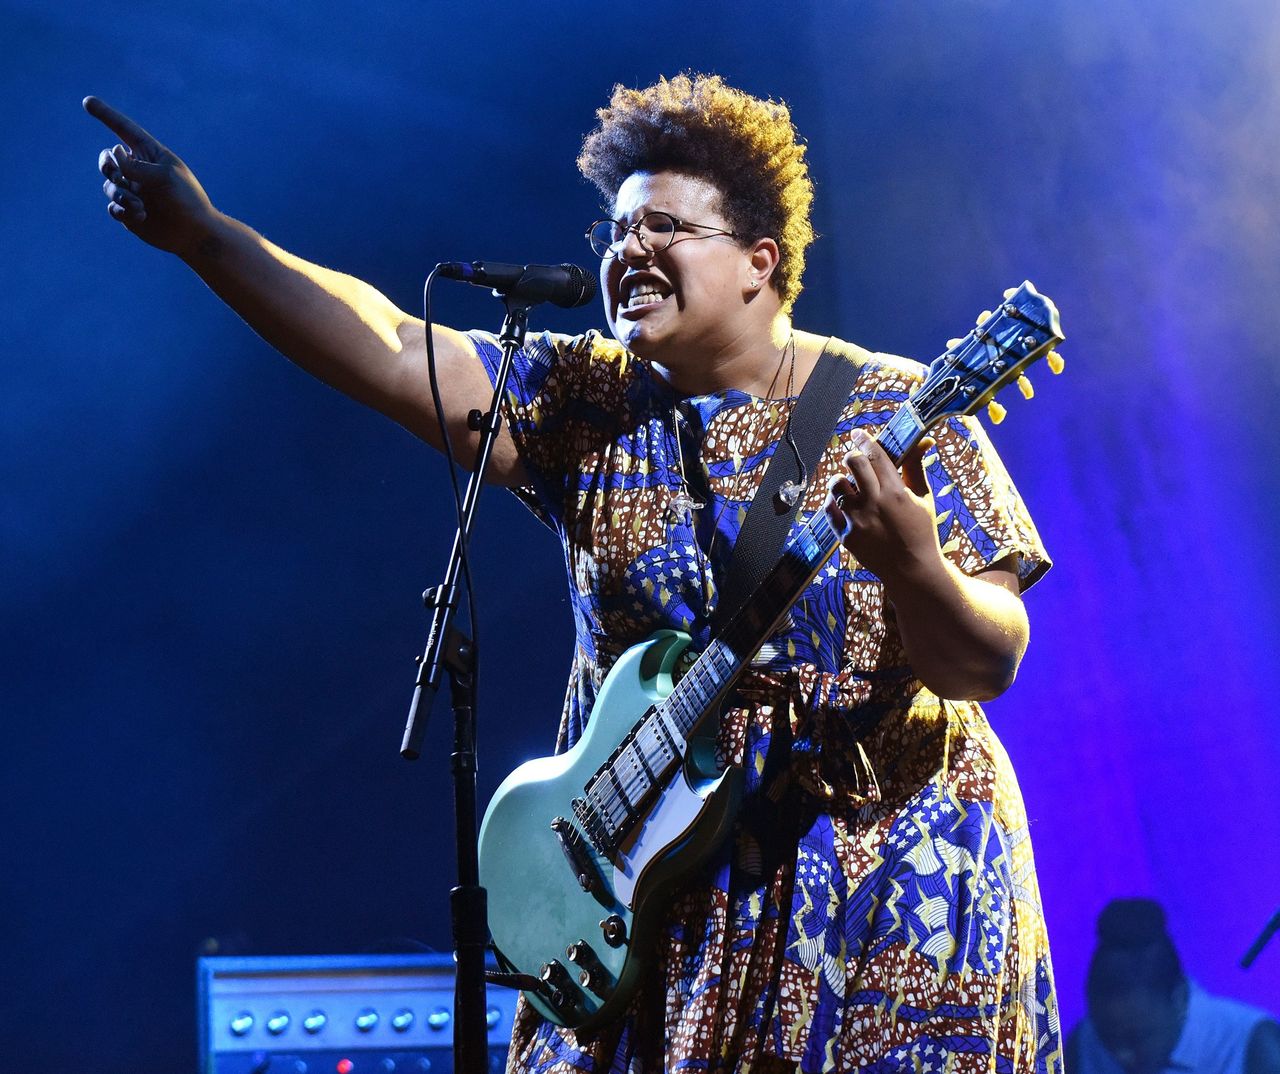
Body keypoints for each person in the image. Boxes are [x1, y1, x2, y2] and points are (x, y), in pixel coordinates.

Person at [87, 73, 1061, 1072]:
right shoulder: (581, 400)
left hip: (882, 884)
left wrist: (912, 569)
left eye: (666, 227)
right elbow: (387, 347)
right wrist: (206, 238)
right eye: (617, 231)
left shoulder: (894, 408)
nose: (628, 249)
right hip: (642, 891)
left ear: (756, 264)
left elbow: (983, 662)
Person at [1067, 898, 1280, 1074]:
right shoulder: (1082, 1044)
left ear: (1179, 999)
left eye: (1138, 1038)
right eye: (1107, 1038)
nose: (1121, 1055)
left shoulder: (1253, 1047)